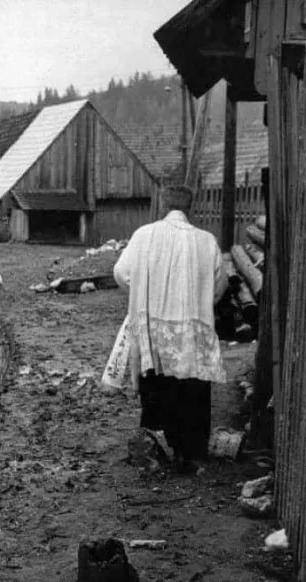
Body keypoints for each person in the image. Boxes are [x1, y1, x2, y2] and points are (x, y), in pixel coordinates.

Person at [112, 184, 229, 473]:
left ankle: (152, 450)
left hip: (155, 326)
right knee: (192, 388)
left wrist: (143, 292)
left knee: (157, 387)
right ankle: (189, 453)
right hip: (192, 328)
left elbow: (120, 272)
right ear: (191, 207)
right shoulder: (207, 241)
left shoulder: (144, 235)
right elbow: (221, 285)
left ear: (163, 206)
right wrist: (201, 303)